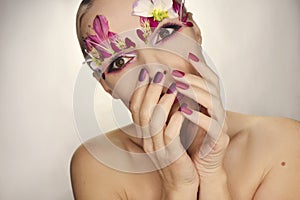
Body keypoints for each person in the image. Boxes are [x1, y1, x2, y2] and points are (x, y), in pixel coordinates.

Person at [70, 0, 300, 199]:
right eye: (119, 62)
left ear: (196, 33)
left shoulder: (285, 142)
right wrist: (177, 188)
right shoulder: (97, 166)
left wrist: (212, 174)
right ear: (107, 87)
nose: (154, 69)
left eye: (165, 32)